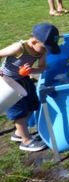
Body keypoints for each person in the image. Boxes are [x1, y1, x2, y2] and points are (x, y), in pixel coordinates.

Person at [0, 23, 62, 152]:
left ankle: (19, 133)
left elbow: (42, 67)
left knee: (33, 104)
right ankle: (25, 140)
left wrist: (32, 69)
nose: (47, 50)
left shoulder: (41, 52)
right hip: (7, 82)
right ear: (34, 41)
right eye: (45, 47)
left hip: (23, 80)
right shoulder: (18, 48)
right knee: (18, 111)